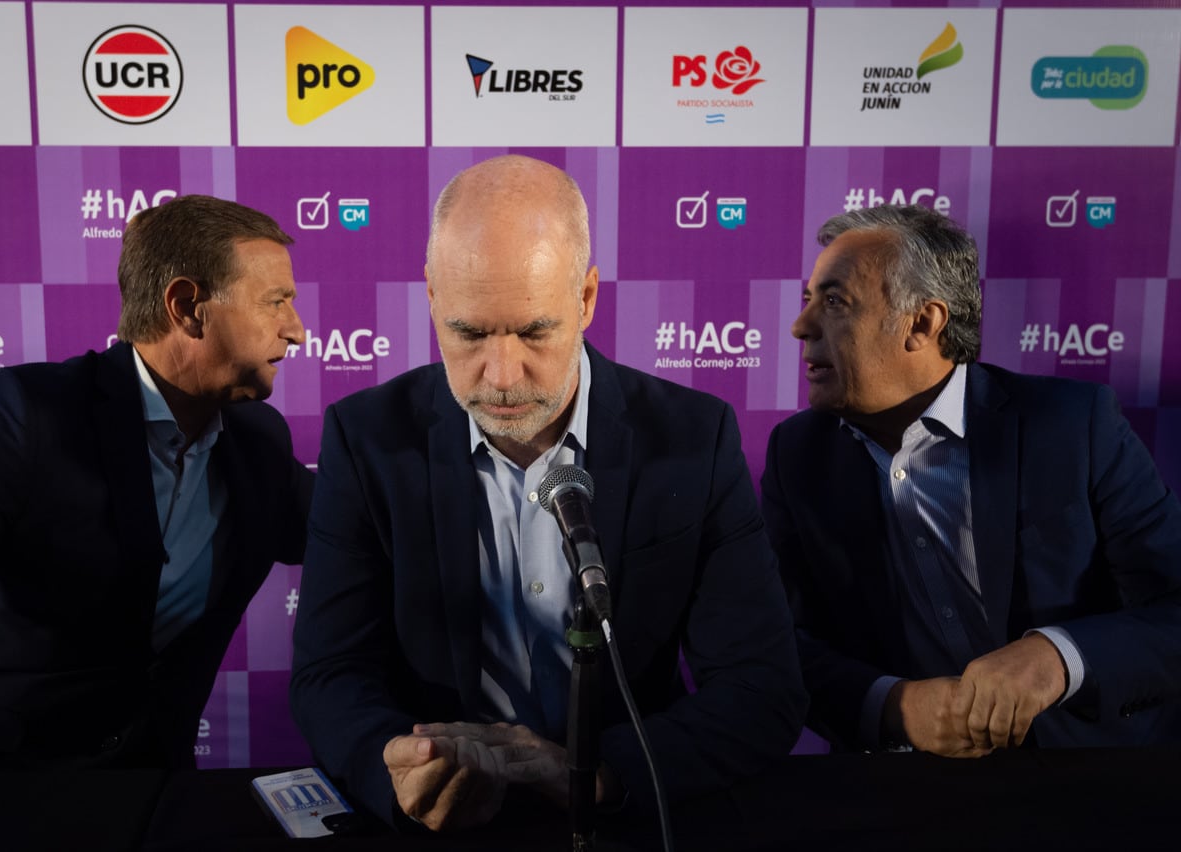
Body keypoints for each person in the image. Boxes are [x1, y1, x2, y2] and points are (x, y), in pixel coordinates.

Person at [290, 155, 805, 831]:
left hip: (621, 816)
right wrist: (400, 768)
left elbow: (761, 689)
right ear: (432, 298)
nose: (501, 376)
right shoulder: (364, 439)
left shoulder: (692, 439)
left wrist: (590, 773)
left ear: (586, 299)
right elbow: (330, 674)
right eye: (468, 333)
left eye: (535, 331)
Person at [0, 195, 313, 769]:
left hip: (145, 790)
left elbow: (354, 534)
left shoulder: (259, 443)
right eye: (276, 302)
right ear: (188, 306)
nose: (297, 330)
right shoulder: (32, 415)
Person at [762, 204, 1181, 757]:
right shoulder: (798, 455)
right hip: (903, 792)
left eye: (834, 302)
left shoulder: (1073, 426)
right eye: (808, 301)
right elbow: (776, 645)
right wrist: (895, 706)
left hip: (1091, 774)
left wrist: (1056, 658)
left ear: (923, 324)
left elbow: (1172, 610)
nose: (801, 326)